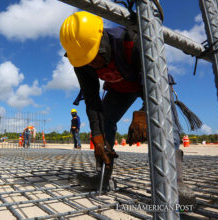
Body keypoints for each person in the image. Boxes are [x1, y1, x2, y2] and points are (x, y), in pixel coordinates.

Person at [60, 11, 195, 205]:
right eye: (86, 59)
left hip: (151, 83)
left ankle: (176, 184)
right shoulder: (80, 59)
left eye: (95, 55)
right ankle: (103, 177)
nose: (91, 63)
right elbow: (92, 100)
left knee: (165, 123)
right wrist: (97, 134)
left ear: (101, 38)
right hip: (120, 88)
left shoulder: (131, 41)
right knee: (104, 121)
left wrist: (144, 113)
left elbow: (156, 82)